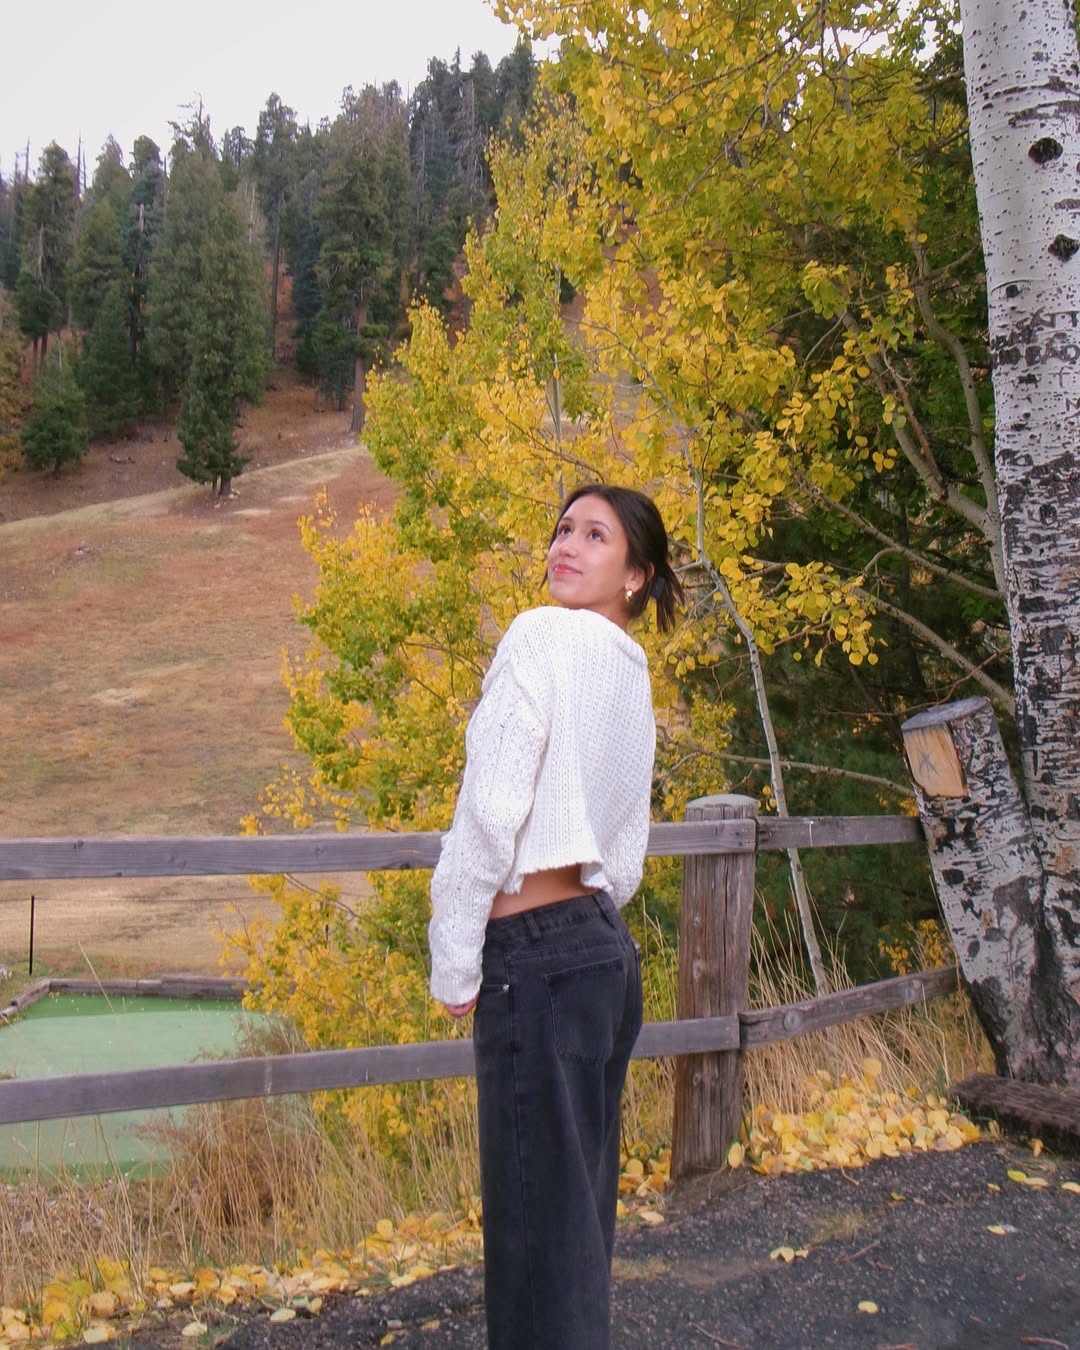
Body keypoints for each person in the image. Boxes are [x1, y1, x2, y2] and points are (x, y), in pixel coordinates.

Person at [428, 484, 684, 1349]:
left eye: (596, 535)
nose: (566, 544)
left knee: (536, 1237)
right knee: (575, 1229)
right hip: (603, 955)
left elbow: (489, 811)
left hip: (534, 958)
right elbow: (627, 848)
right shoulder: (629, 671)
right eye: (563, 528)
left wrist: (456, 956)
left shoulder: (539, 635)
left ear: (636, 575)